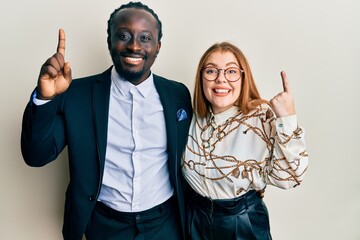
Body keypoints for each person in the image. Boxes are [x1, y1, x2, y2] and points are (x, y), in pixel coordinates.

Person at [21, 2, 192, 240]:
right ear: (109, 40)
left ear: (158, 46)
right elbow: (36, 156)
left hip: (165, 224)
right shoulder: (76, 94)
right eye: (123, 36)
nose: (134, 46)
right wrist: (45, 98)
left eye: (145, 38)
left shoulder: (178, 94)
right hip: (105, 226)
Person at [182, 42, 309, 239]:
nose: (221, 79)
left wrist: (287, 119)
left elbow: (291, 177)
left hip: (241, 223)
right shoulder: (190, 117)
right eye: (211, 71)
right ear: (201, 78)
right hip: (195, 220)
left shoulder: (260, 117)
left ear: (243, 77)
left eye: (231, 71)